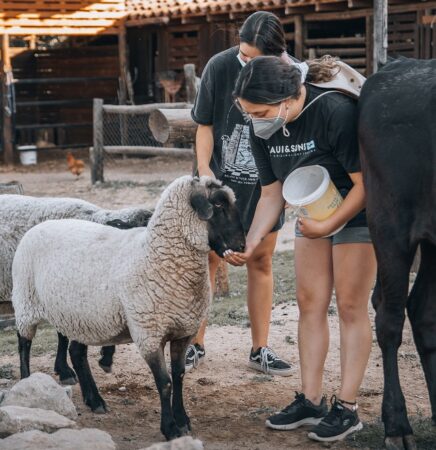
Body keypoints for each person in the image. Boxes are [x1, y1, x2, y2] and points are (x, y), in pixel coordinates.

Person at [225, 55, 377, 442]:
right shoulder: (262, 128)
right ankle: (311, 401)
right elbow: (271, 194)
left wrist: (329, 224)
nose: (254, 119)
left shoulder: (333, 110)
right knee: (310, 303)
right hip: (313, 212)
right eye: (248, 112)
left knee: (349, 306)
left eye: (260, 111)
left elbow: (366, 184)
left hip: (356, 211)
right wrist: (251, 241)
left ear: (289, 100)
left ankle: (347, 408)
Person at [188, 11, 296, 376]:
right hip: (219, 185)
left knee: (261, 262)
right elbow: (204, 123)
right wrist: (205, 172)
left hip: (265, 188)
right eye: (242, 53)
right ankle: (194, 343)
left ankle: (260, 348)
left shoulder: (288, 74)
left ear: (276, 54)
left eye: (252, 57)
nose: (244, 61)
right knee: (206, 263)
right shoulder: (220, 67)